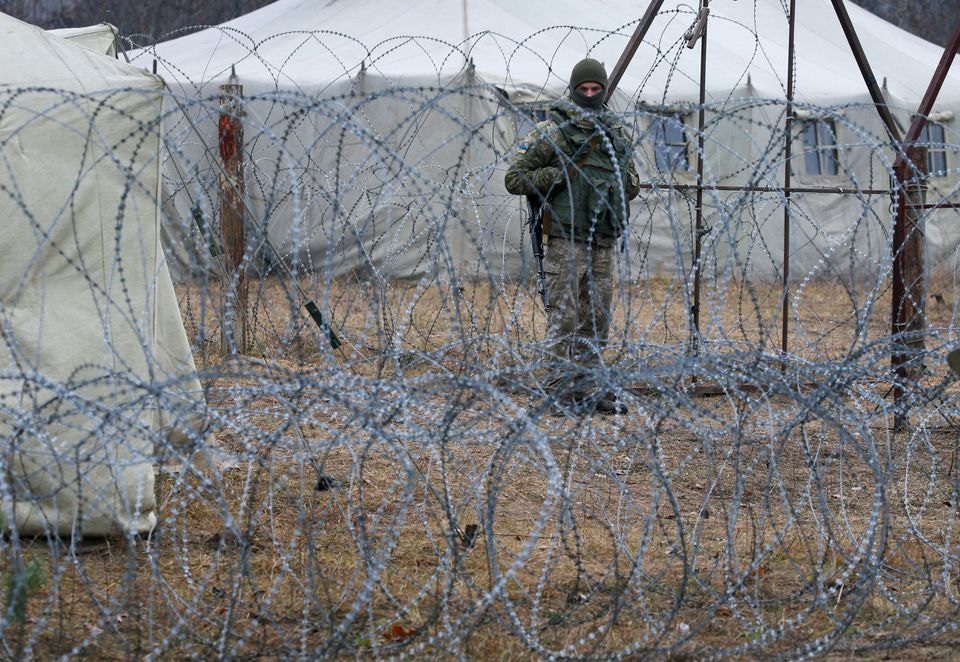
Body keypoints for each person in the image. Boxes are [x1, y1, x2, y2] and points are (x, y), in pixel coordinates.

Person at [504, 58, 640, 415]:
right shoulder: (554, 132)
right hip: (566, 239)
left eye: (596, 89)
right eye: (585, 89)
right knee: (564, 318)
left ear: (605, 91)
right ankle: (556, 390)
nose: (591, 95)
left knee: (596, 320)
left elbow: (634, 183)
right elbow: (515, 178)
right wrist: (560, 173)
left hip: (604, 240)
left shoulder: (615, 134)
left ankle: (587, 388)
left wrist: (618, 180)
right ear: (574, 89)